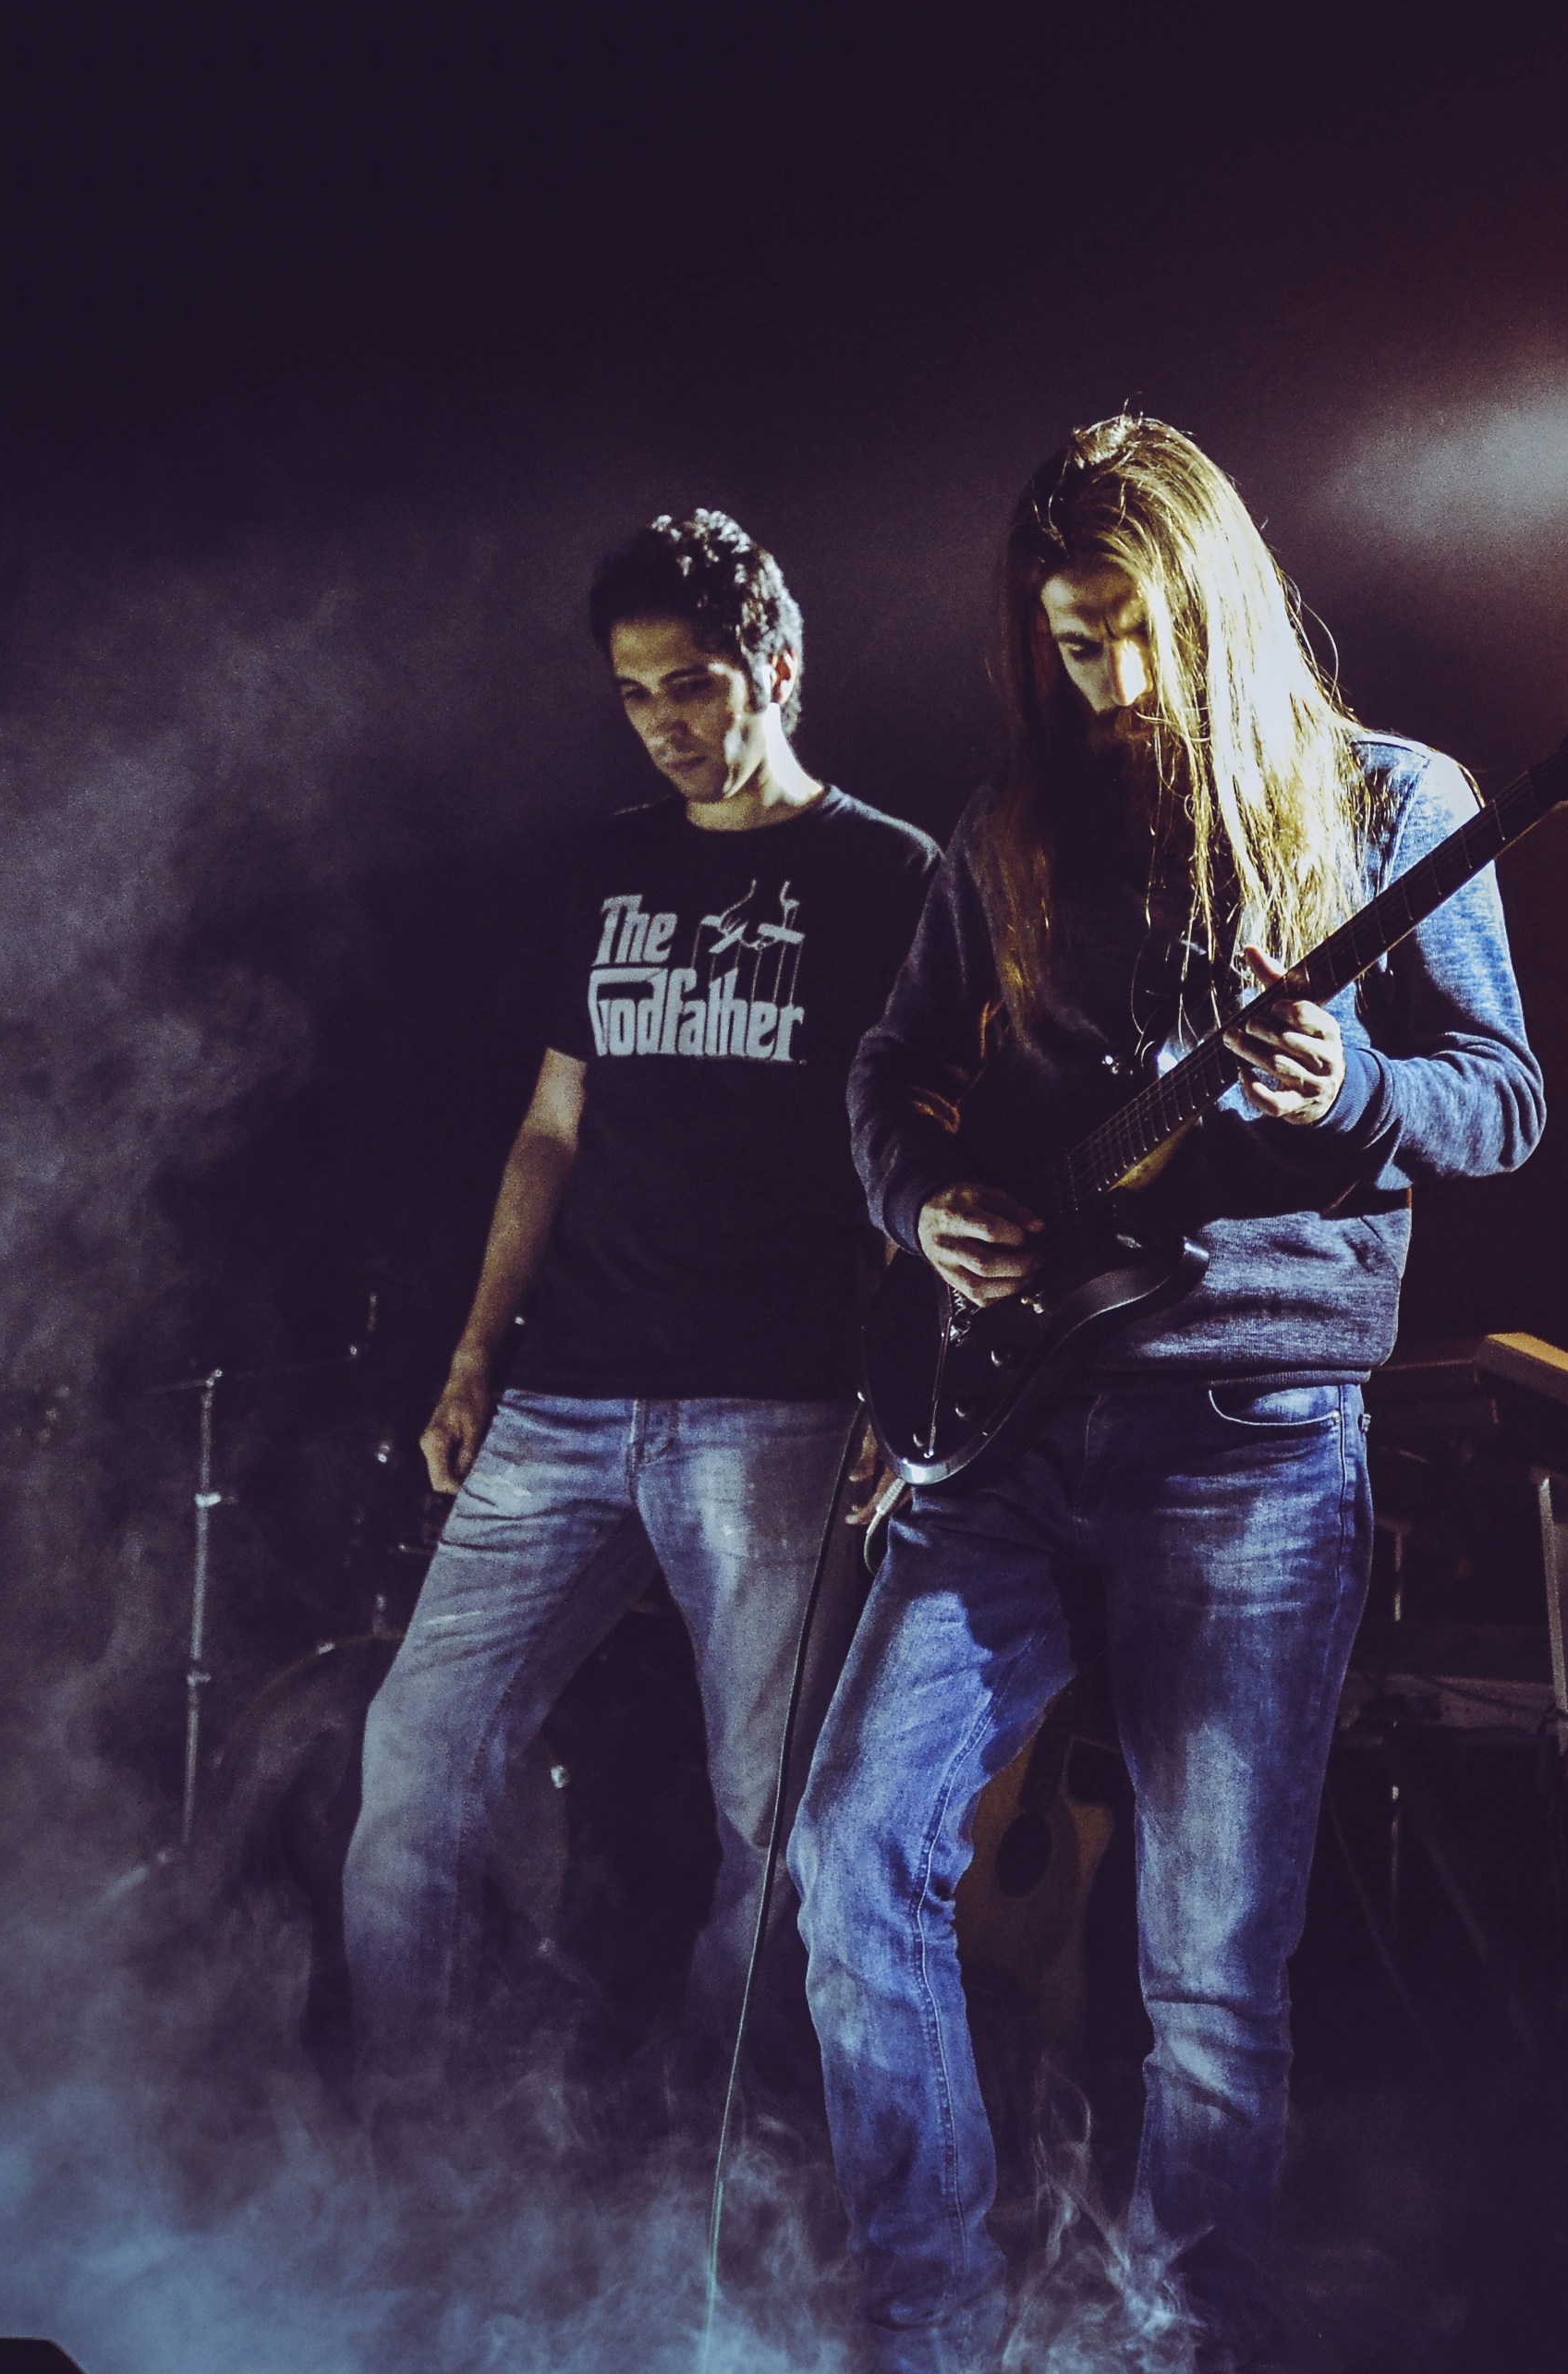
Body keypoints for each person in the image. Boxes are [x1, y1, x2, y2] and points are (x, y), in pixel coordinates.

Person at [800, 414, 1552, 2371]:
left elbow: (1503, 1098)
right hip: (1011, 1429)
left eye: (1129, 634)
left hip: (1246, 1444)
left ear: (1208, 607)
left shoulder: (1391, 805)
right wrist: (927, 1201)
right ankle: (929, 2323)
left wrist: (1357, 1091)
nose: (1101, 679)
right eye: (1066, 644)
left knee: (1208, 1970)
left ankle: (1191, 2343)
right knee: (843, 1853)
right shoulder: (1012, 826)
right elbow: (889, 1071)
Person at [345, 510, 936, 2086]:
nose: (669, 722)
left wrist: (898, 1383)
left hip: (775, 1413)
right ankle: (412, 2163)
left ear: (779, 671)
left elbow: (911, 1173)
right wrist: (474, 1355)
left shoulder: (892, 878)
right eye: (634, 694)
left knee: (773, 1823)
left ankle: (705, 2160)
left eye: (695, 684)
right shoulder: (603, 863)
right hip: (559, 1402)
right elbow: (551, 1127)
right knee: (409, 1760)